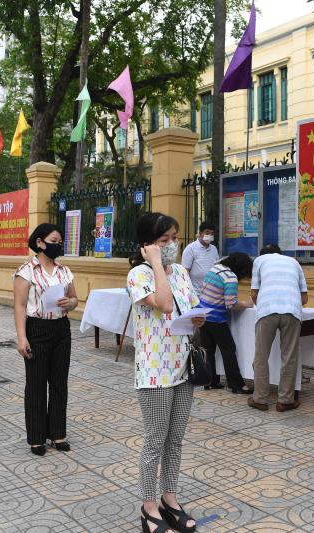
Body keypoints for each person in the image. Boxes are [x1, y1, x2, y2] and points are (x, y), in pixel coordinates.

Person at [127, 213, 203, 533]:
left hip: (183, 366)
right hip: (155, 371)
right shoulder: (138, 275)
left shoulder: (182, 272)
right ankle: (149, 507)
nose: (173, 244)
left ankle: (170, 498)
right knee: (155, 441)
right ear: (148, 245)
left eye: (174, 237)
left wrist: (198, 317)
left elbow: (190, 306)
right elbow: (164, 304)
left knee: (175, 440)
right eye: (164, 240)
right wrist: (157, 263)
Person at [13, 223, 78, 457]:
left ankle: (58, 434)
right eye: (53, 241)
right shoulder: (26, 271)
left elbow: (75, 298)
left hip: (61, 329)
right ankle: (37, 437)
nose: (57, 245)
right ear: (40, 242)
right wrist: (22, 338)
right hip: (37, 329)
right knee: (36, 384)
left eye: (60, 241)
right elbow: (20, 306)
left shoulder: (64, 271)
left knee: (59, 382)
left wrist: (70, 303)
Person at [247, 244, 308, 412]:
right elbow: (304, 298)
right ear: (280, 253)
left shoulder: (259, 261)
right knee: (289, 357)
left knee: (261, 356)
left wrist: (264, 304)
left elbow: (254, 293)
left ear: (262, 254)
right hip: (292, 311)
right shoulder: (294, 262)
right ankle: (285, 401)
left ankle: (259, 399)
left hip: (267, 310)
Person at [198, 252, 254, 394]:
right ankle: (237, 384)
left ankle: (210, 381)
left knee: (209, 350)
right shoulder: (230, 277)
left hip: (202, 315)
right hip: (216, 318)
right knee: (229, 350)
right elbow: (231, 304)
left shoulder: (215, 268)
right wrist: (246, 304)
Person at [181, 221, 219, 294]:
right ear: (200, 233)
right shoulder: (191, 248)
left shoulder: (214, 249)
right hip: (195, 292)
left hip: (211, 292)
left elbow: (216, 267)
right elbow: (185, 271)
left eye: (212, 234)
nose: (210, 235)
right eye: (207, 233)